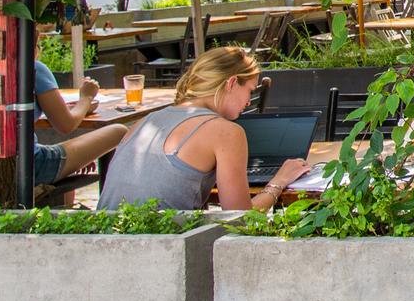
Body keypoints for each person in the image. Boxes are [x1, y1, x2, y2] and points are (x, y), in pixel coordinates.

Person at [97, 46, 308, 212]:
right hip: (160, 250)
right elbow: (239, 218)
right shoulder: (226, 132)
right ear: (232, 83)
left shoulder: (144, 122)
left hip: (97, 241)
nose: (248, 101)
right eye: (250, 91)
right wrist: (279, 181)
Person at [0, 58, 129, 192]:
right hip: (28, 166)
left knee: (62, 158)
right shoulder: (32, 68)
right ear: (36, 38)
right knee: (119, 131)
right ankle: (114, 202)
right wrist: (86, 98)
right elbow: (66, 125)